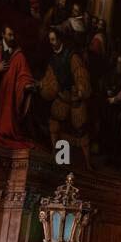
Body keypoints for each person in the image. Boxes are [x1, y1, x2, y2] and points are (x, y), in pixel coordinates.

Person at [37, 28, 91, 164]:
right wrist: (42, 84)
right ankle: (55, 153)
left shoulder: (72, 56)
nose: (52, 42)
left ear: (60, 39)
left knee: (81, 129)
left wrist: (80, 88)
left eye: (54, 39)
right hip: (62, 97)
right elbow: (50, 78)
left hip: (74, 98)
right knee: (54, 122)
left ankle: (88, 163)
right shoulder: (53, 60)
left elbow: (80, 73)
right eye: (50, 40)